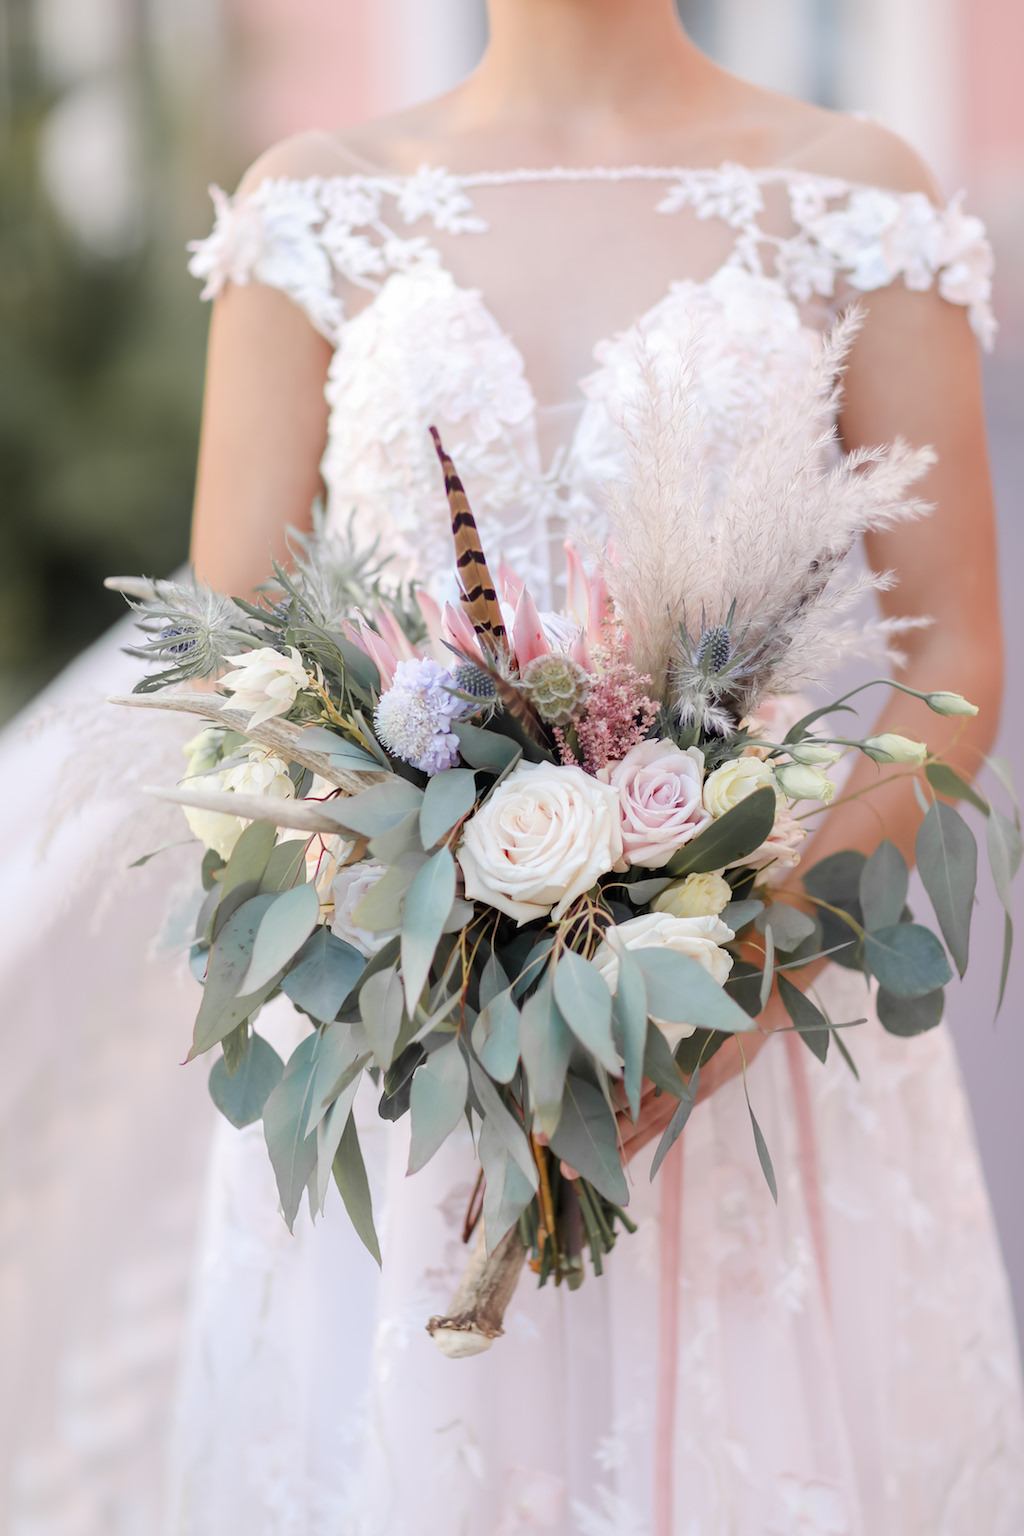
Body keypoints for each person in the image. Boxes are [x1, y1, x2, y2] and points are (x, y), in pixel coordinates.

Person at [5, 1, 1024, 1531]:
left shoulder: (853, 197)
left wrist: (748, 941)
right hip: (410, 1073)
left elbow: (955, 666)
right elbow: (230, 684)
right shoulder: (312, 208)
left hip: (759, 1044)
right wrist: (426, 960)